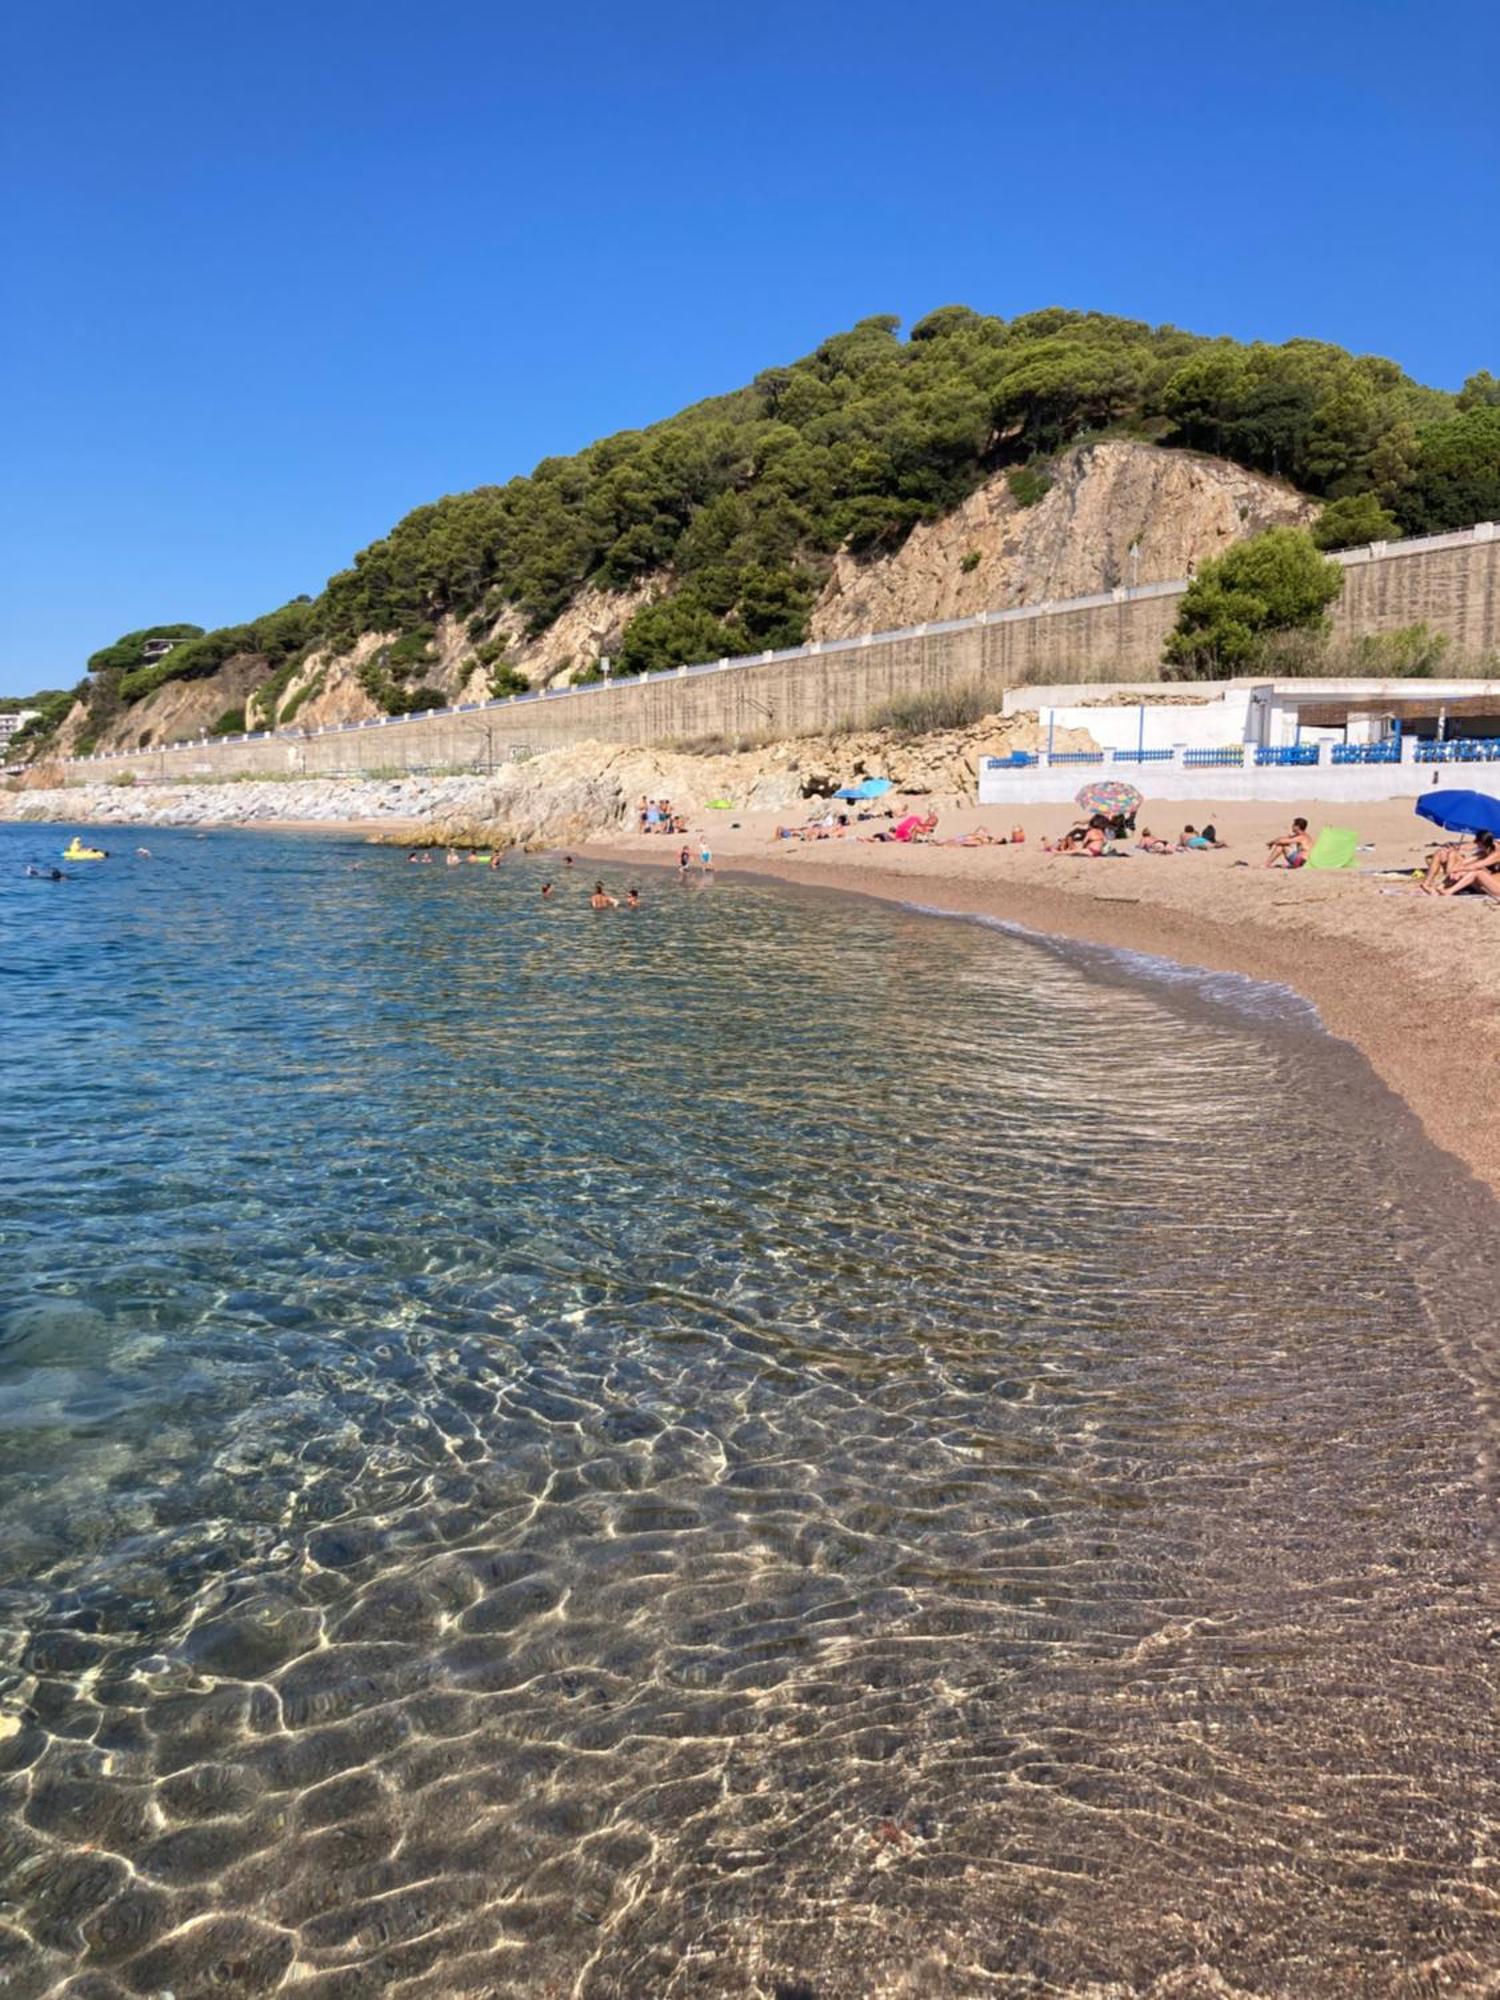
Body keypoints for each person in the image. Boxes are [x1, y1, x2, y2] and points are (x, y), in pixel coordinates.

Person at [1421, 831, 1493, 893]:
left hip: (1484, 880)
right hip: (1472, 873)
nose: (1477, 846)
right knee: (1441, 852)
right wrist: (1455, 849)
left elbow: (1477, 866)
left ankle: (1443, 886)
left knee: (1454, 857)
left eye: (1479, 845)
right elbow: (1466, 860)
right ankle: (1426, 884)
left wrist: (1457, 869)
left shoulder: (1494, 853)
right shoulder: (1482, 851)